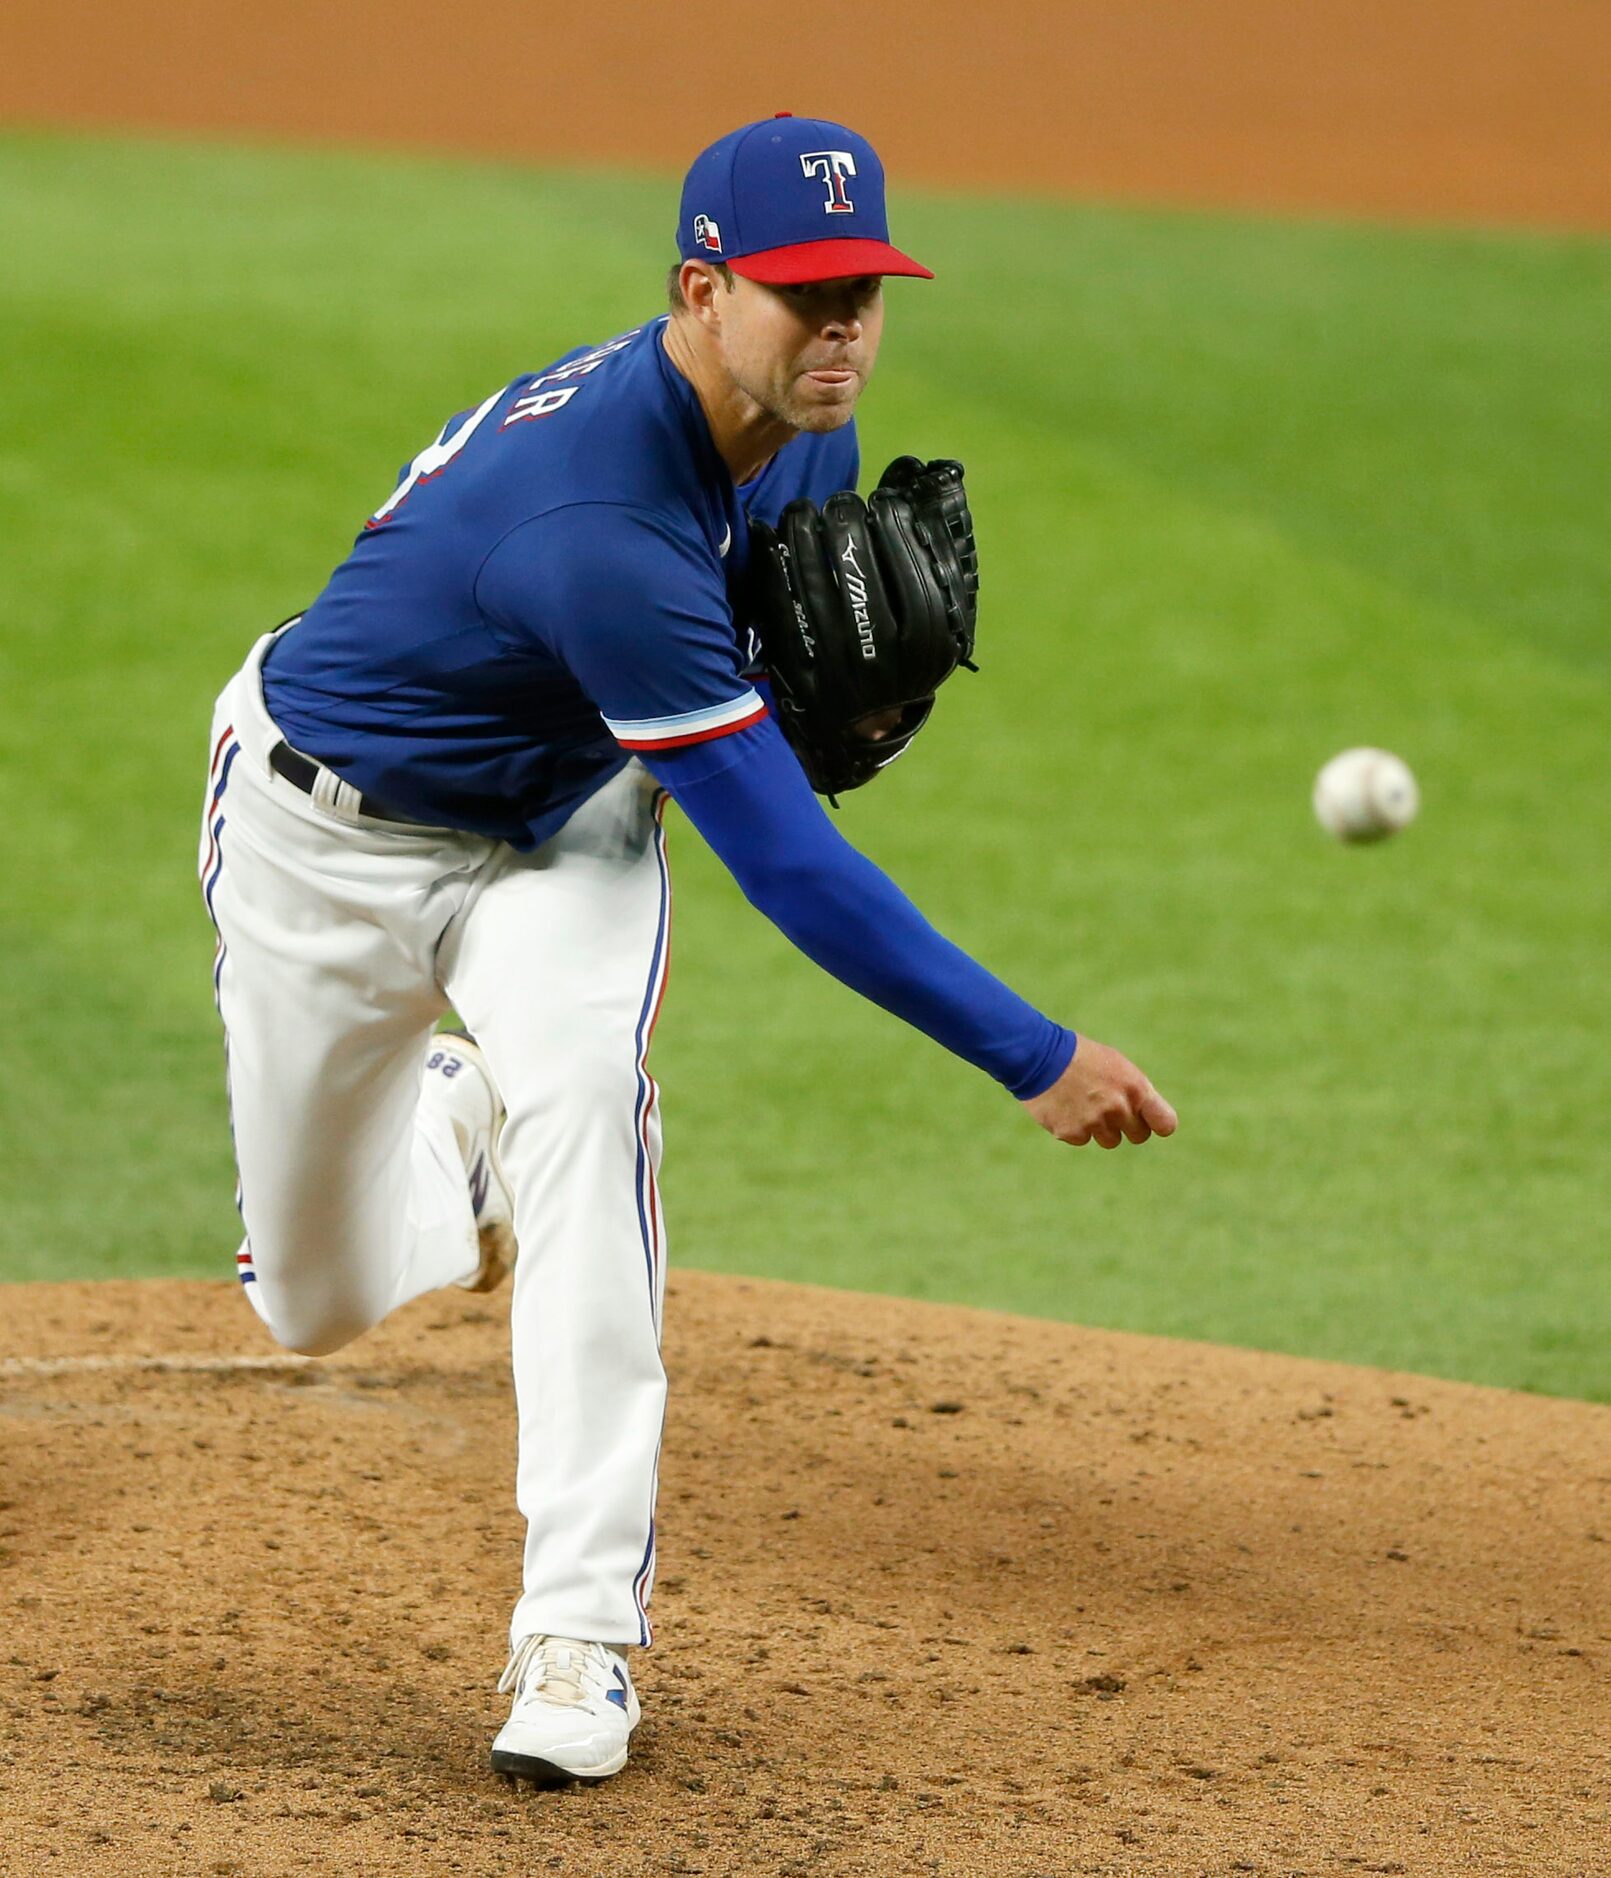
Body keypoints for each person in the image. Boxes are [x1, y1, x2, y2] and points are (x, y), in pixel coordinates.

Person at [197, 112, 1177, 1788]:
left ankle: (575, 1634)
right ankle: (450, 1116)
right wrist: (1038, 1053)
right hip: (325, 842)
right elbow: (790, 866)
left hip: (562, 827)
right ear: (700, 290)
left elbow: (750, 715)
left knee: (587, 1093)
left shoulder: (792, 429)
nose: (844, 327)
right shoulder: (601, 520)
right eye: (804, 296)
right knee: (314, 1299)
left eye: (864, 287)